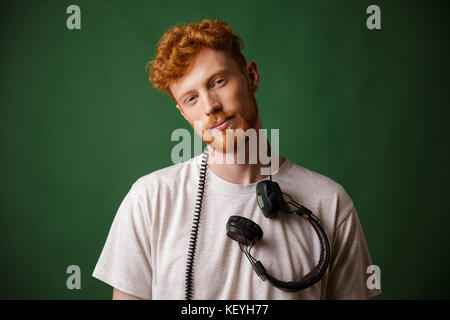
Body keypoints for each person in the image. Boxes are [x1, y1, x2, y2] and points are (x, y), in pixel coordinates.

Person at [92, 18, 382, 300]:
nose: (210, 106)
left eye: (218, 81)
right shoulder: (149, 200)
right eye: (191, 98)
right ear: (183, 113)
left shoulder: (330, 202)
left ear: (251, 76)